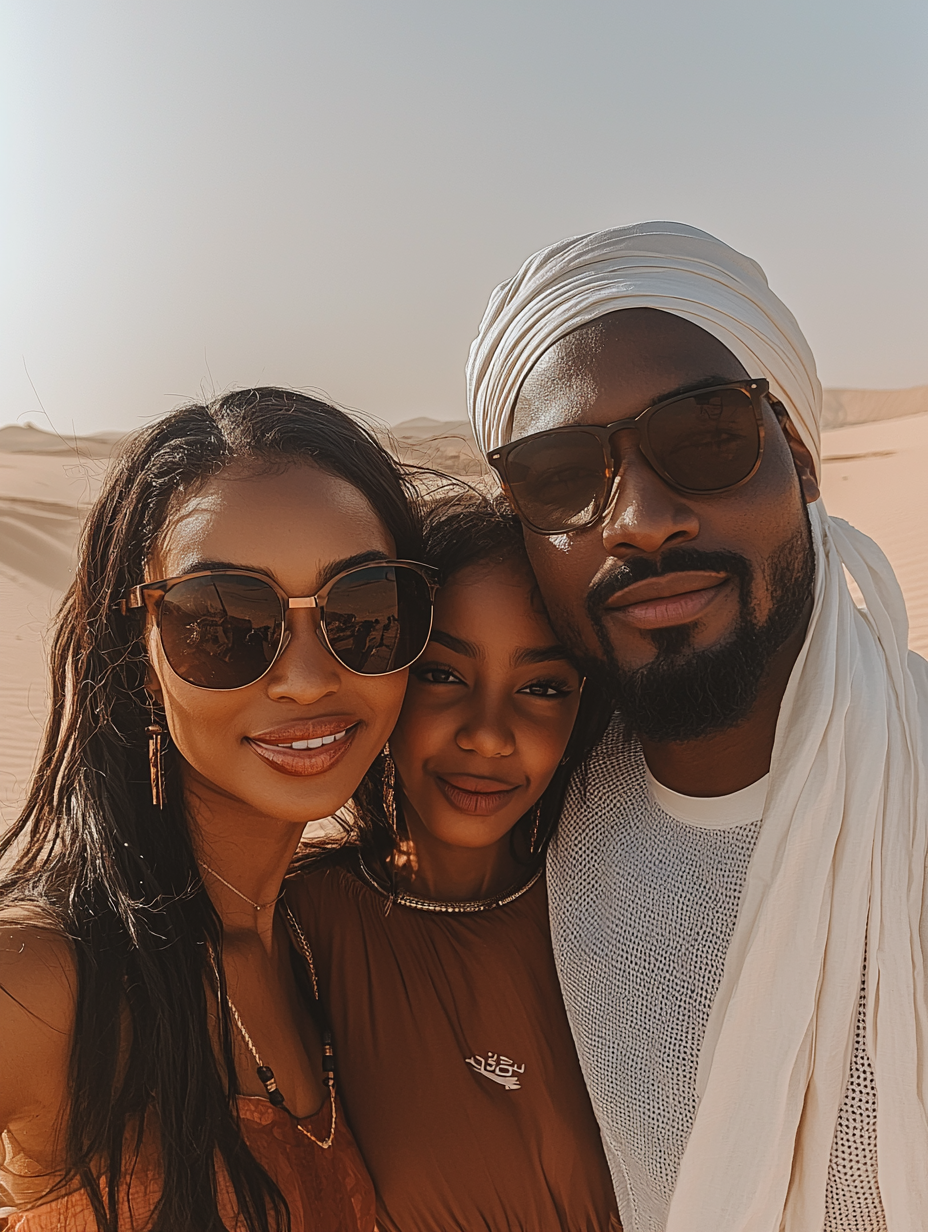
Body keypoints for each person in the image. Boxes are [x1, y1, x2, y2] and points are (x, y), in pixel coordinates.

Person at [465, 223, 928, 1232]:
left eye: (706, 436)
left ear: (800, 460)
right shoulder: (529, 824)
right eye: (559, 476)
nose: (636, 516)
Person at [0, 388, 438, 1231]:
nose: (309, 678)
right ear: (138, 656)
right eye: (221, 622)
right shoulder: (44, 978)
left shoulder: (330, 946)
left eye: (365, 611)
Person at [291, 493, 620, 1232]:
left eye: (542, 688)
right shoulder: (299, 930)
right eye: (443, 674)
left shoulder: (622, 908)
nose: (490, 736)